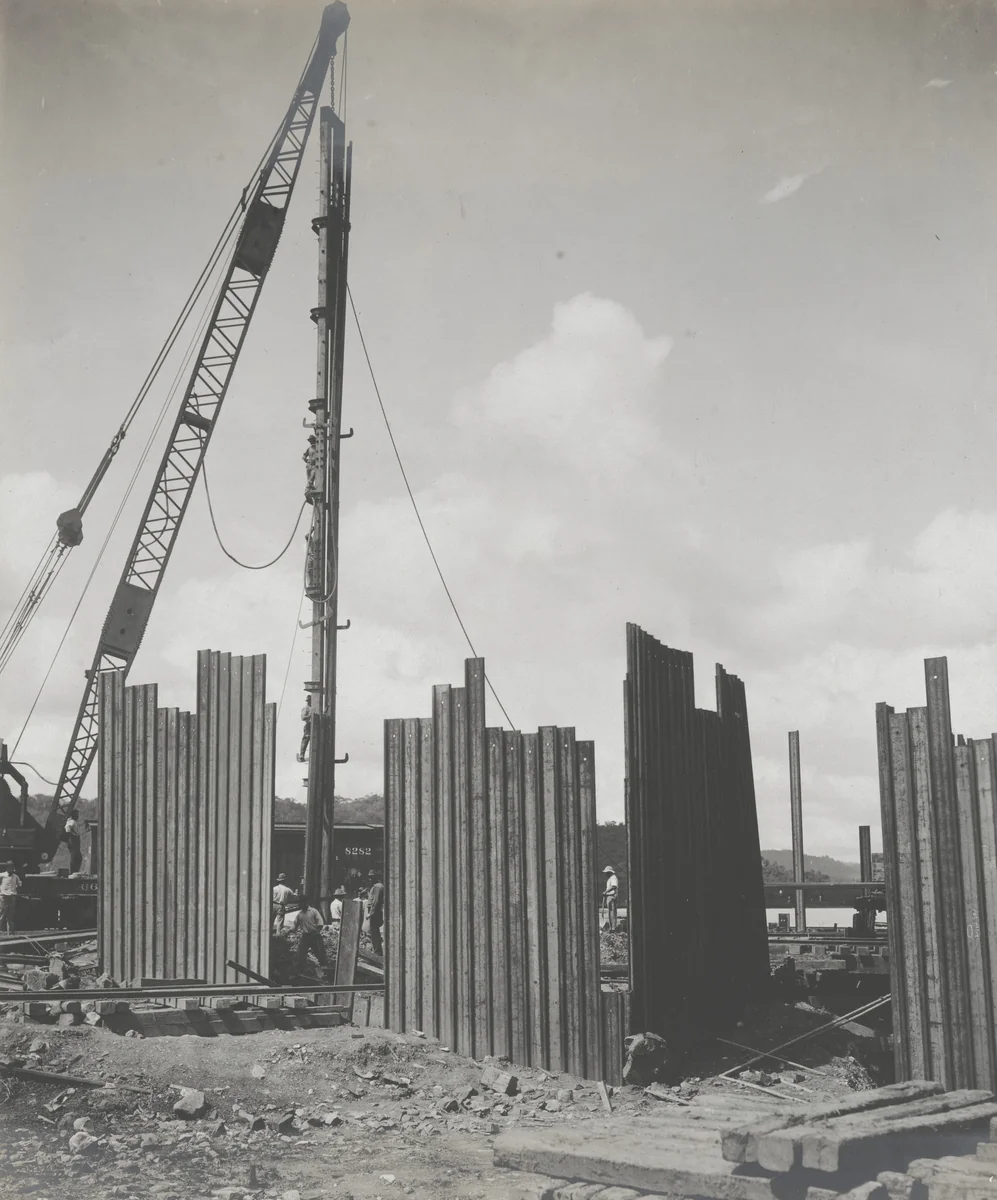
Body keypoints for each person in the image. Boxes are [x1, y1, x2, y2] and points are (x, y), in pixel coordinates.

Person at [292, 893, 327, 976]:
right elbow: (294, 925)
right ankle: (300, 971)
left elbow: (320, 923)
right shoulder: (299, 914)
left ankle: (325, 971)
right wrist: (289, 931)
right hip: (305, 936)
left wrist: (317, 933)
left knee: (320, 953)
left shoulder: (313, 911)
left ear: (305, 902)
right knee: (300, 954)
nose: (299, 904)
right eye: (299, 903)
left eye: (301, 902)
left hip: (315, 935)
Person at [366, 869, 384, 957]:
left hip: (375, 913)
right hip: (375, 912)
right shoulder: (377, 886)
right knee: (374, 932)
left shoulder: (378, 887)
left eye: (371, 877)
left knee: (374, 931)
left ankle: (377, 952)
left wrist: (371, 913)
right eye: (369, 877)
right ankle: (377, 950)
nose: (369, 879)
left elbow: (376, 901)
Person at [0, 862, 22, 933]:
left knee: (10, 915)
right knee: (2, 913)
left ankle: (10, 932)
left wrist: (17, 887)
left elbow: (19, 884)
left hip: (12, 897)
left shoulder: (15, 876)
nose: (12, 869)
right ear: (7, 868)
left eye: (13, 867)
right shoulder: (2, 875)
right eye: (10, 867)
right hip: (4, 897)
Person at [64, 810, 83, 875]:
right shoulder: (71, 821)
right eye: (77, 814)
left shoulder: (74, 821)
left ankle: (75, 871)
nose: (78, 816)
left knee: (78, 857)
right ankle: (73, 872)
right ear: (73, 815)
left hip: (75, 840)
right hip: (73, 840)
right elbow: (67, 827)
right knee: (74, 856)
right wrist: (69, 835)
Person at [602, 865, 619, 931]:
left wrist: (606, 891)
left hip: (611, 896)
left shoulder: (613, 878)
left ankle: (613, 928)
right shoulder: (611, 878)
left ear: (609, 872)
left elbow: (614, 886)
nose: (605, 874)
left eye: (606, 873)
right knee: (610, 912)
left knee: (612, 912)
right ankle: (611, 927)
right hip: (609, 896)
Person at [297, 695, 312, 763]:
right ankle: (302, 755)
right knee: (306, 738)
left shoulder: (315, 707)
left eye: (310, 700)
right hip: (309, 725)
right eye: (308, 701)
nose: (309, 702)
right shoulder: (306, 708)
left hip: (316, 725)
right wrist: (310, 715)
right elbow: (302, 718)